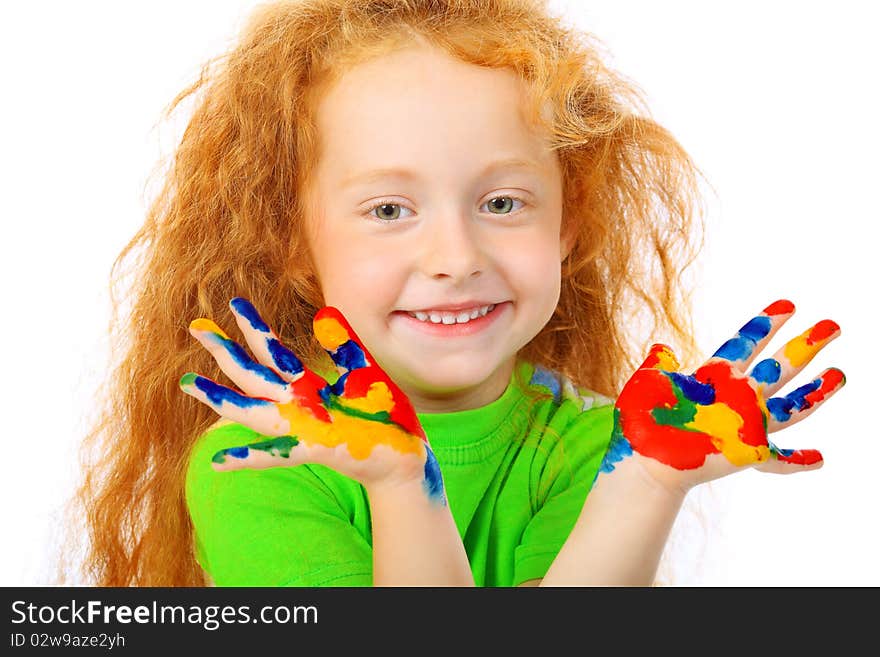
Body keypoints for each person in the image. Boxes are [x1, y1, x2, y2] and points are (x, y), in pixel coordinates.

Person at [64, 0, 845, 587]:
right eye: (389, 210)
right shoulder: (261, 460)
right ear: (295, 246)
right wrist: (403, 482)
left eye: (502, 202)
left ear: (573, 221)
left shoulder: (594, 447)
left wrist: (643, 483)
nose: (454, 257)